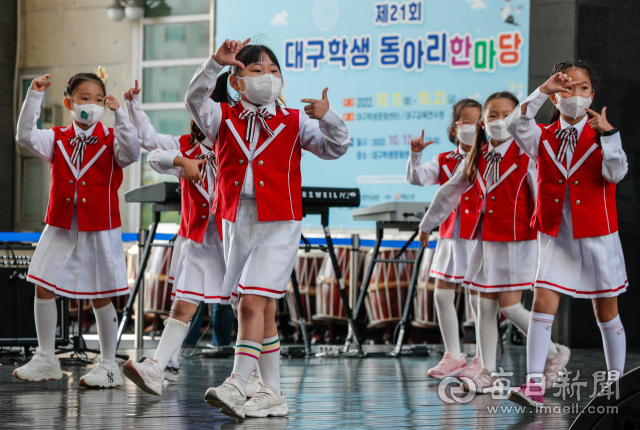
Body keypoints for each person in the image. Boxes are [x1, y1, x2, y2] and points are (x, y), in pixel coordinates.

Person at [186, 38, 351, 418]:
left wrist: (328, 116)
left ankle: (238, 382)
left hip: (280, 223)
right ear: (237, 81)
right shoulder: (220, 118)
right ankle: (273, 392)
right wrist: (213, 63)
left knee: (250, 303)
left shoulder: (296, 121)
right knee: (263, 308)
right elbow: (194, 99)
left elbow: (337, 146)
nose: (267, 77)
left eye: (274, 71)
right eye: (256, 70)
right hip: (237, 222)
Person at [418, 91, 569, 394]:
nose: (500, 121)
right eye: (493, 116)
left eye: (507, 115)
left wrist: (551, 237)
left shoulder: (527, 155)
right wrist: (427, 224)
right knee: (484, 306)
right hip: (484, 242)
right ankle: (485, 371)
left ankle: (554, 352)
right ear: (483, 123)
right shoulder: (477, 156)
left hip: (517, 243)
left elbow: (542, 198)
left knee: (510, 307)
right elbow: (449, 192)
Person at [505, 61, 628, 408]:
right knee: (542, 305)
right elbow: (515, 122)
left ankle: (616, 386)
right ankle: (533, 385)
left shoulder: (603, 135)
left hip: (597, 235)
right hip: (556, 234)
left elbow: (616, 174)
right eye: (566, 87)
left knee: (606, 311)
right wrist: (541, 91)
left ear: (593, 94)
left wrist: (609, 136)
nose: (575, 94)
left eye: (583, 87)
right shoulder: (540, 135)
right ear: (556, 96)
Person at [13, 68, 142, 387]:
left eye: (99, 99)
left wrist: (121, 116)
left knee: (101, 294)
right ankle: (46, 359)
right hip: (60, 223)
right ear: (69, 103)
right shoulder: (56, 137)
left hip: (99, 226)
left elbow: (132, 152)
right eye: (85, 98)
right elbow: (25, 135)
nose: (93, 104)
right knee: (43, 284)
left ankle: (109, 364)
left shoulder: (113, 141)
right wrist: (34, 96)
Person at [122, 81, 234, 383]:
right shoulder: (185, 146)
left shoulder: (237, 149)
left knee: (250, 307)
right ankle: (161, 366)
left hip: (235, 242)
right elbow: (152, 150)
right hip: (199, 242)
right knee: (183, 302)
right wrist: (181, 161)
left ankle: (256, 379)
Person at [406, 99, 484, 380]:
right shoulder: (444, 160)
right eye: (466, 121)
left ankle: (481, 359)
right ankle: (453, 354)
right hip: (451, 235)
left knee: (478, 298)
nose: (472, 126)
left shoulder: (487, 157)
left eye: (478, 121)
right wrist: (415, 155)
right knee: (442, 292)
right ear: (454, 128)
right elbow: (418, 179)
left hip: (478, 235)